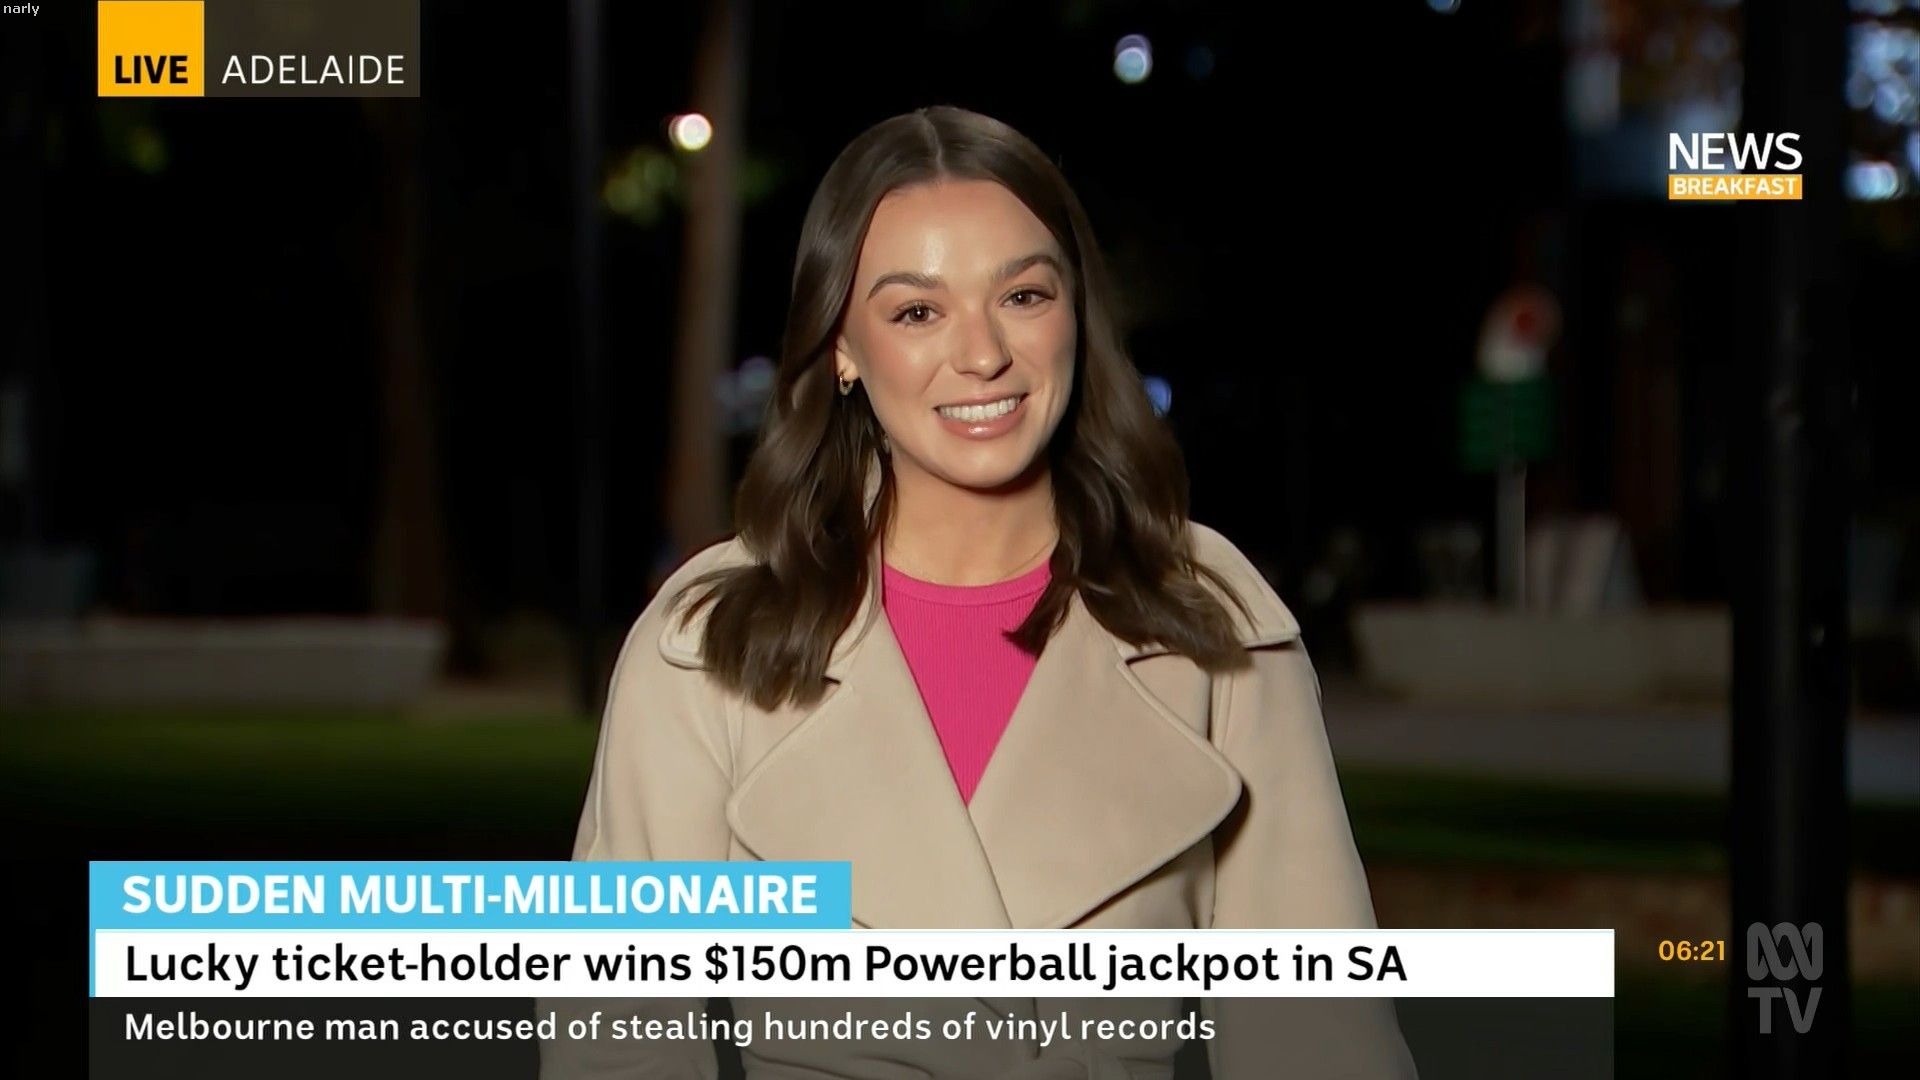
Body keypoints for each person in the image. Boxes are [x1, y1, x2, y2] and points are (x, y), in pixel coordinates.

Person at [540, 106, 1416, 1079]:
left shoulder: (1215, 626)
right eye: (917, 312)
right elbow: (615, 1042)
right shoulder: (707, 644)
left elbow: (1321, 1042)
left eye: (1024, 296)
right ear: (841, 347)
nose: (983, 353)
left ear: (1076, 314)